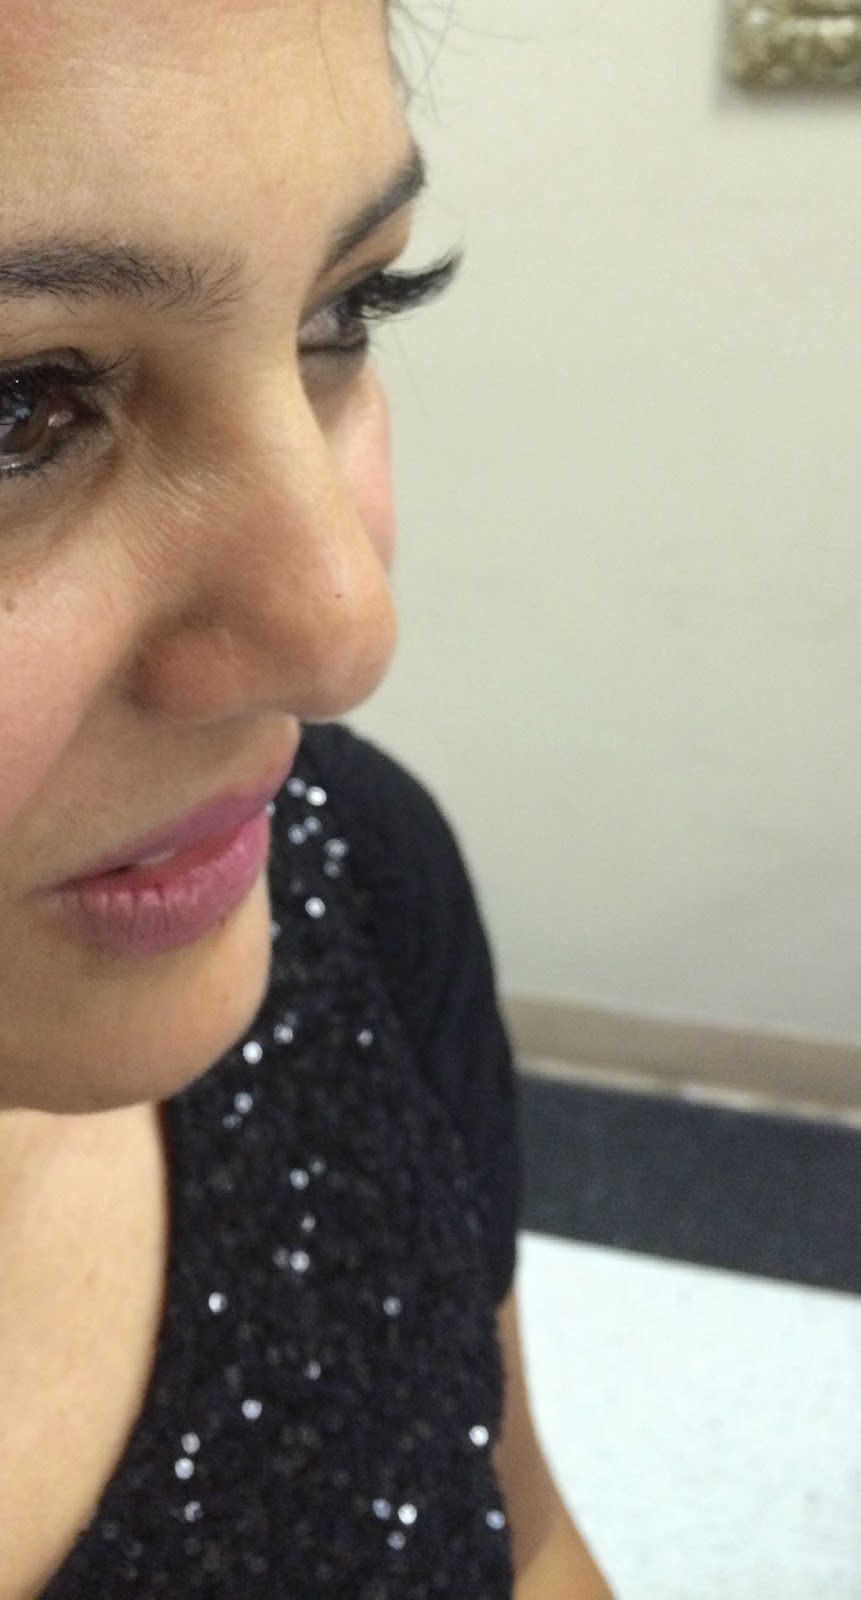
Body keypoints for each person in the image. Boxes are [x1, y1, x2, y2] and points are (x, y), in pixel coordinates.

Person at [0, 2, 615, 1596]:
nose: (345, 632)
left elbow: (526, 1542)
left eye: (343, 311)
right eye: (16, 407)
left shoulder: (349, 876)